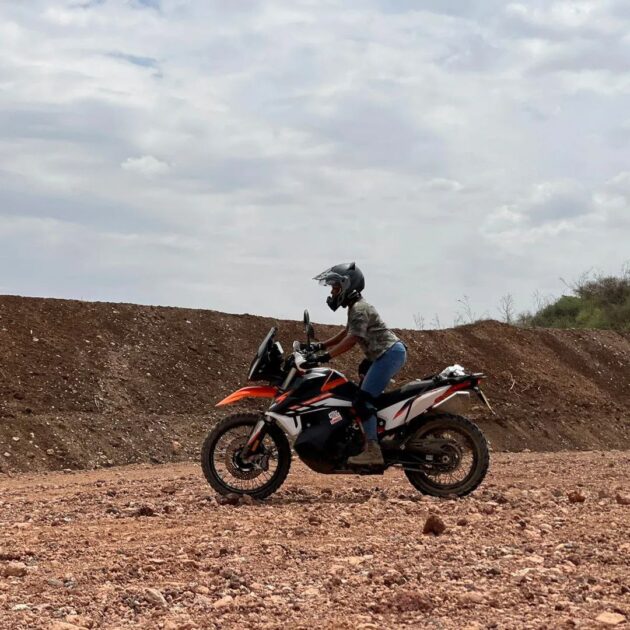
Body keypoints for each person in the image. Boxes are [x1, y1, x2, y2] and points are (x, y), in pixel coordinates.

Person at [310, 262, 407, 465]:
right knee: (359, 396)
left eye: (335, 287)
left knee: (362, 401)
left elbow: (352, 339)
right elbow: (346, 332)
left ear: (348, 286)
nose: (333, 292)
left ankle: (373, 450)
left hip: (388, 354)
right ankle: (374, 434)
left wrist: (325, 357)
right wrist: (319, 346)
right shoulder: (356, 308)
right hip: (381, 354)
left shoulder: (360, 309)